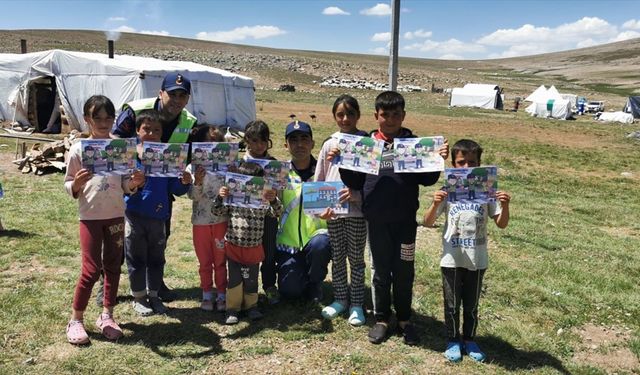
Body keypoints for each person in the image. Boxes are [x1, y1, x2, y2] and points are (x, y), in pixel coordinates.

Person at [337, 91, 447, 346]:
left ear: (403, 116)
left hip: (406, 221)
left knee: (404, 270)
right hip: (377, 220)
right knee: (381, 271)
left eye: (396, 115)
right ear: (376, 116)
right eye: (385, 115)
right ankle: (383, 318)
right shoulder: (366, 143)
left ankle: (406, 319)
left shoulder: (413, 142)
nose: (390, 120)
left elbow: (427, 179)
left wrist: (436, 159)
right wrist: (343, 162)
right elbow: (354, 181)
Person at [64, 95, 145, 344]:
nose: (103, 122)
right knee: (90, 269)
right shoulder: (78, 148)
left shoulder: (120, 148)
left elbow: (124, 183)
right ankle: (76, 319)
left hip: (115, 215)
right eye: (97, 117)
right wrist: (76, 183)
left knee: (112, 267)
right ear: (87, 119)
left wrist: (134, 182)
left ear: (114, 119)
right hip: (90, 216)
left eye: (108, 117)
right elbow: (68, 183)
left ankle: (107, 315)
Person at [423, 139, 511, 363]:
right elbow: (427, 222)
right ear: (453, 164)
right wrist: (435, 204)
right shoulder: (447, 191)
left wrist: (505, 205)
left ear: (479, 164)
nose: (466, 167)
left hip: (477, 259)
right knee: (452, 304)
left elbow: (501, 223)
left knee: (471, 305)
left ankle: (470, 339)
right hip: (452, 258)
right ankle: (452, 339)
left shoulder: (487, 192)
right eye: (461, 162)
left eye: (471, 162)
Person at [112, 72, 197, 301]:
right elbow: (112, 141)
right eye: (172, 94)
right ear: (161, 93)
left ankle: (155, 284)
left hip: (162, 190)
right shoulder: (135, 111)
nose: (177, 100)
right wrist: (134, 155)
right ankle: (107, 282)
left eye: (183, 95)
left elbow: (188, 156)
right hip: (127, 187)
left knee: (159, 238)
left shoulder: (189, 122)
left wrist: (184, 176)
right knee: (120, 239)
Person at [124, 109, 192, 316]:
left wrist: (184, 182)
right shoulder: (129, 157)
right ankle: (138, 297)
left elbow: (175, 188)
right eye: (147, 129)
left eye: (157, 130)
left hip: (159, 217)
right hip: (135, 216)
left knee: (156, 258)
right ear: (137, 131)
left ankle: (153, 295)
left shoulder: (167, 158)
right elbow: (122, 187)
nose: (152, 134)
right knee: (136, 259)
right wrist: (134, 183)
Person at [314, 95, 368, 326]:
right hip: (334, 213)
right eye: (340, 114)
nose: (345, 119)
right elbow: (320, 178)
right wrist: (320, 209)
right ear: (334, 116)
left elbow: (372, 180)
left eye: (350, 114)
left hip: (357, 212)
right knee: (337, 257)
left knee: (356, 259)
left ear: (358, 115)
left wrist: (359, 196)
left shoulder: (367, 142)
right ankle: (339, 300)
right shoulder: (329, 143)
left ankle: (356, 303)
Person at [213, 161, 283, 325]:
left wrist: (273, 200)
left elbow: (277, 212)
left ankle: (252, 306)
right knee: (235, 280)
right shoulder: (232, 199)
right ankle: (232, 309)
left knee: (251, 279)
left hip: (254, 247)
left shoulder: (263, 201)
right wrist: (220, 197)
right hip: (234, 246)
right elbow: (216, 211)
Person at [276, 121, 332, 302]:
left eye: (304, 139)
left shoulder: (323, 172)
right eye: (293, 140)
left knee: (320, 244)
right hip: (288, 243)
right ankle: (299, 277)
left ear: (313, 143)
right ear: (286, 145)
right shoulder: (280, 173)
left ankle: (315, 282)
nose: (299, 144)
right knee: (290, 292)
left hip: (317, 238)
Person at [185, 125, 228, 312]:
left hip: (221, 221)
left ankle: (222, 294)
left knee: (220, 260)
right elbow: (193, 196)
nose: (212, 147)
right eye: (207, 143)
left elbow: (234, 192)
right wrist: (198, 181)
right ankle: (206, 294)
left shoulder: (227, 166)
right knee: (204, 261)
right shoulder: (192, 167)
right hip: (200, 223)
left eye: (216, 144)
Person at [242, 120, 280, 305]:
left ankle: (269, 285)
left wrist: (273, 194)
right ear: (247, 140)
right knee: (246, 252)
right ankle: (247, 287)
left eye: (263, 141)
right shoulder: (239, 162)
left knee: (269, 251)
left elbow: (279, 191)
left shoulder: (273, 164)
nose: (259, 146)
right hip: (245, 218)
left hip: (267, 216)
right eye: (255, 141)